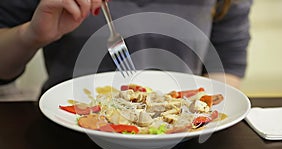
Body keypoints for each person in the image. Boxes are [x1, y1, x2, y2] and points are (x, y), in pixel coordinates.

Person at [0, 0, 252, 97]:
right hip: (65, 141)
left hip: (183, 145)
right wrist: (30, 35)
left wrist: (193, 117)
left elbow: (227, 64)